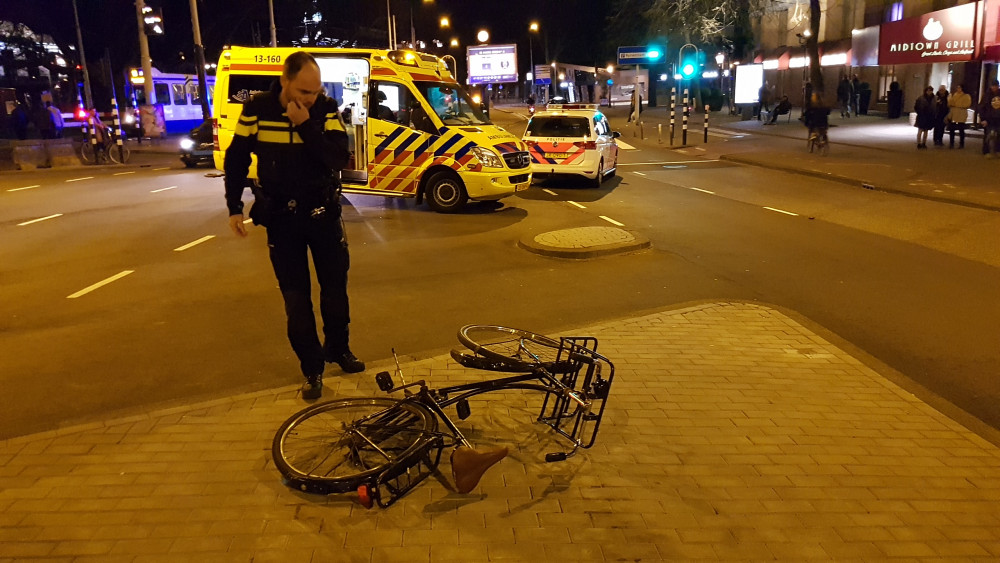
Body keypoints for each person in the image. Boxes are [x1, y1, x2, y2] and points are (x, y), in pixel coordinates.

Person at [224, 51, 364, 401]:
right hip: (282, 221)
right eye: (304, 91)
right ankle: (312, 369)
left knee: (335, 291)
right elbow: (237, 157)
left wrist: (305, 124)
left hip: (323, 215)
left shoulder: (325, 109)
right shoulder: (257, 109)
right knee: (296, 301)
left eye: (315, 91)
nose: (310, 98)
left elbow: (336, 157)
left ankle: (338, 348)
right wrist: (234, 206)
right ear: (285, 81)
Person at [979, 80, 1000, 158]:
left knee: (999, 135)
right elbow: (982, 107)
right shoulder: (987, 95)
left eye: (996, 86)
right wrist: (983, 119)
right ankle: (986, 151)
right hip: (989, 118)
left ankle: (998, 150)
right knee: (988, 135)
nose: (995, 87)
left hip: (998, 118)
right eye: (993, 86)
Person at [947, 84, 971, 149]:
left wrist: (957, 105)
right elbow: (950, 103)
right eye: (957, 88)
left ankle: (961, 144)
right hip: (954, 114)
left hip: (961, 114)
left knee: (961, 129)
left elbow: (967, 104)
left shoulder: (966, 96)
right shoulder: (954, 95)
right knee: (952, 129)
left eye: (959, 88)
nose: (958, 89)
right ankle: (951, 143)